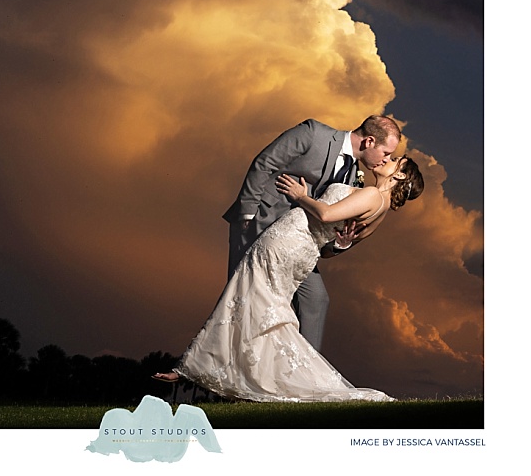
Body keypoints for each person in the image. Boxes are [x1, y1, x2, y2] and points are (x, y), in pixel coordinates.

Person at [154, 154, 425, 401]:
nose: (386, 159)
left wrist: (300, 195)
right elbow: (334, 249)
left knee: (242, 299)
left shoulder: (372, 195)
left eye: (394, 161)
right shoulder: (381, 210)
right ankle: (251, 375)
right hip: (302, 253)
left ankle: (198, 367)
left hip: (287, 243)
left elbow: (326, 213)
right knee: (263, 311)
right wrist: (340, 243)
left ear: (400, 175)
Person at [222, 115, 401, 351]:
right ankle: (223, 365)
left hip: (297, 243)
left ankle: (303, 374)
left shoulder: (354, 178)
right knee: (241, 297)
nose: (385, 159)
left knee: (316, 299)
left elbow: (328, 221)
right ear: (369, 141)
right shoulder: (314, 133)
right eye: (386, 153)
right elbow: (265, 163)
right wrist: (247, 213)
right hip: (259, 223)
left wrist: (340, 245)